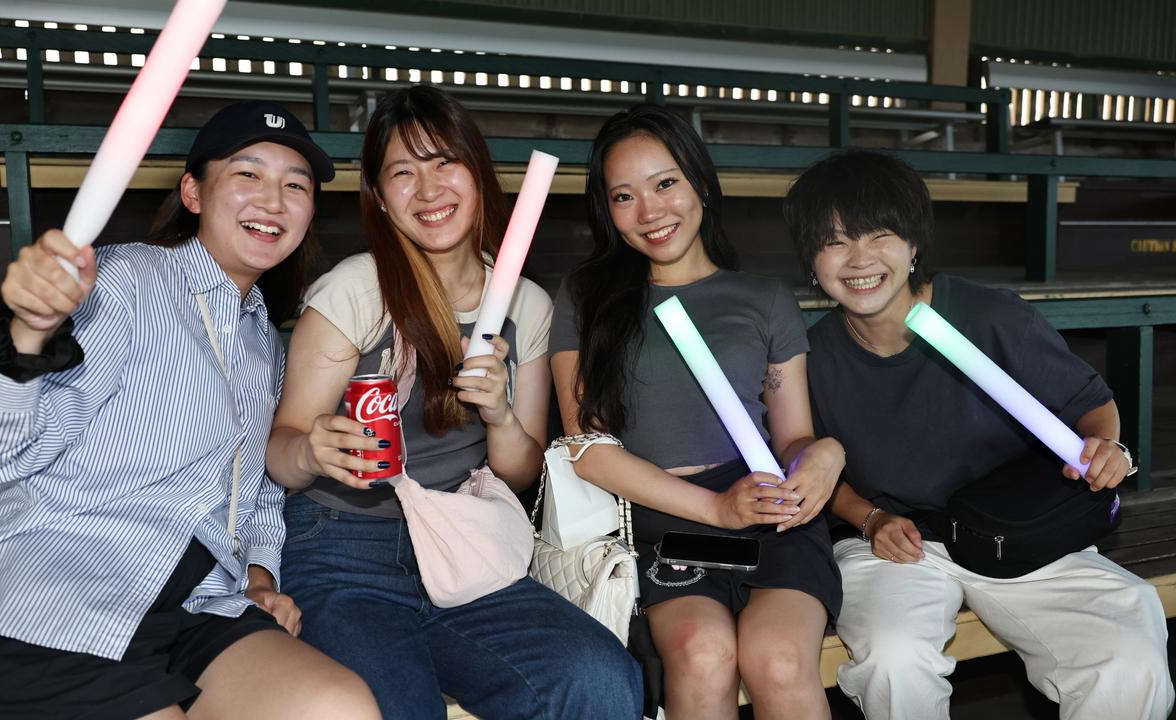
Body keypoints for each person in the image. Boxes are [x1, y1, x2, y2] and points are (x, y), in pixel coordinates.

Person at [0, 101, 379, 720]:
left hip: (191, 604)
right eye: (248, 174)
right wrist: (24, 338)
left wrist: (260, 577)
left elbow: (256, 487)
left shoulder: (261, 334)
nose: (274, 199)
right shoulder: (123, 283)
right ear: (192, 191)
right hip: (54, 597)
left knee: (338, 705)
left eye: (296, 185)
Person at [265, 84, 642, 720]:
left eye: (445, 162)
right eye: (402, 173)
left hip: (465, 544)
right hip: (341, 548)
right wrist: (311, 448)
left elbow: (519, 473)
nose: (429, 188)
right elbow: (280, 452)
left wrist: (499, 414)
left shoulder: (525, 304)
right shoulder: (356, 290)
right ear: (381, 200)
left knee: (599, 678)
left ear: (478, 174)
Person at [784, 149, 1175, 720]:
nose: (859, 259)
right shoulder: (810, 354)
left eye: (880, 235)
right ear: (811, 261)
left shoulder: (990, 315)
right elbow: (817, 473)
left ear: (915, 245)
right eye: (835, 241)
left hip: (1014, 531)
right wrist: (869, 518)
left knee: (1127, 649)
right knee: (894, 660)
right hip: (894, 544)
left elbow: (1091, 404)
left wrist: (1103, 446)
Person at [549, 104, 845, 720]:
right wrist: (715, 508)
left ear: (701, 184)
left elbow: (794, 437)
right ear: (607, 211)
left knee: (779, 658)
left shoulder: (764, 297)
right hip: (667, 519)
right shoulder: (586, 298)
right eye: (624, 196)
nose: (651, 211)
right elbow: (587, 448)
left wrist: (822, 459)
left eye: (666, 184)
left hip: (770, 513)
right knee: (702, 652)